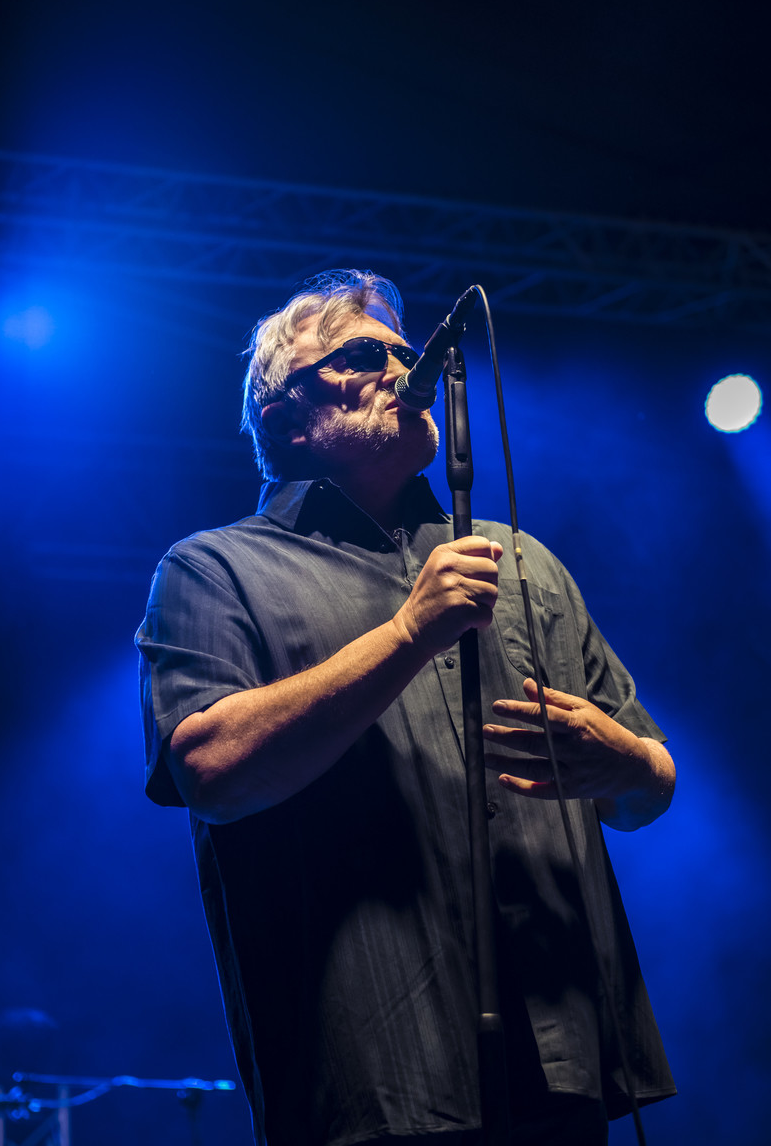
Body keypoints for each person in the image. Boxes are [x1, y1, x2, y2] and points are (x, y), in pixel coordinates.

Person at [136, 269, 676, 1146]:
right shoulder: (213, 569)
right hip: (372, 1080)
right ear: (287, 418)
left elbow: (648, 789)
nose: (402, 368)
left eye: (406, 350)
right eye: (359, 355)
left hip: (561, 1062)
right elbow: (209, 771)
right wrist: (407, 633)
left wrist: (627, 762)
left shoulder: (521, 562)